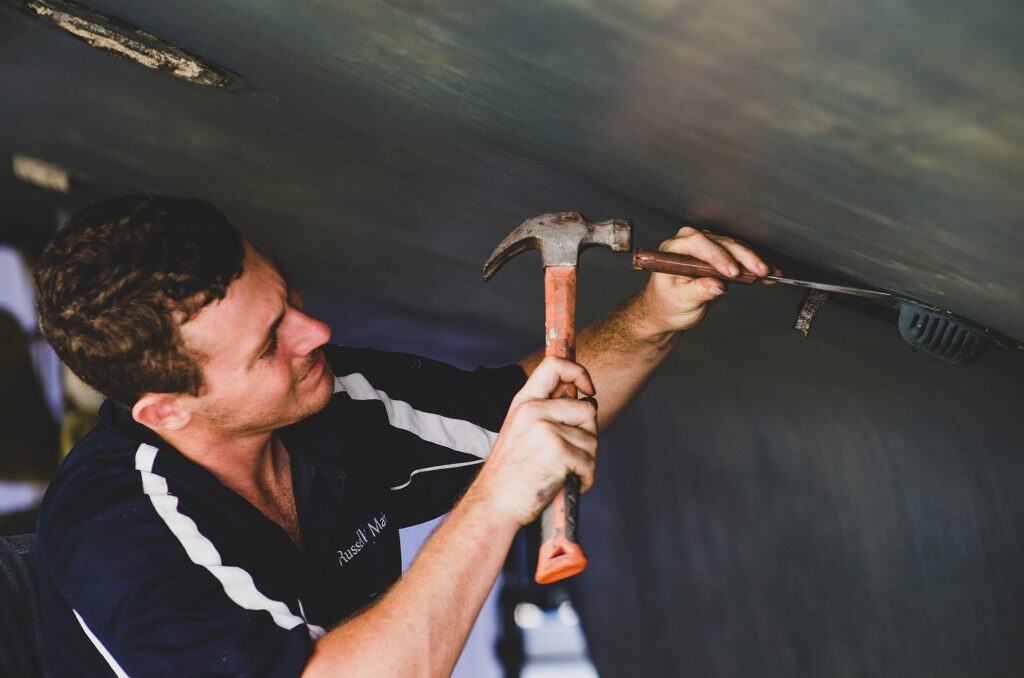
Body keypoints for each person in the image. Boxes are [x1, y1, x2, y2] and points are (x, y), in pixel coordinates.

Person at [32, 194, 772, 676]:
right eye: (269, 344)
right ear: (165, 410)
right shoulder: (119, 532)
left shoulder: (326, 397)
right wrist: (494, 504)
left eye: (288, 297)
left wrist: (655, 314)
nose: (315, 332)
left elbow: (512, 417)